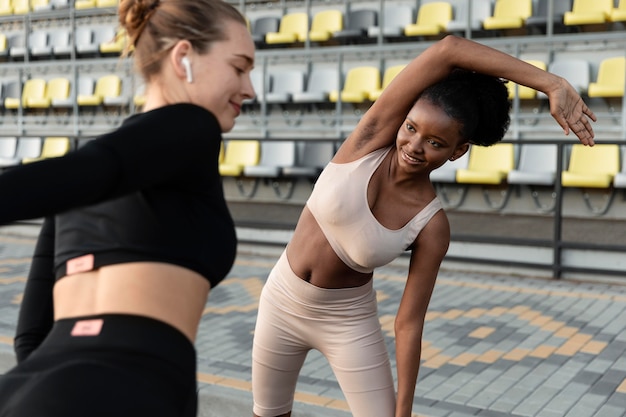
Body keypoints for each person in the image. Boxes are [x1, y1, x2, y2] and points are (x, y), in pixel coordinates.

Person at [251, 35, 596, 417]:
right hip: (280, 300)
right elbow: (448, 50)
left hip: (347, 321)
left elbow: (409, 323)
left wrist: (405, 410)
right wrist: (552, 83)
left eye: (435, 142)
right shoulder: (367, 142)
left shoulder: (431, 225)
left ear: (457, 151)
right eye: (411, 128)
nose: (415, 146)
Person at [0, 0, 255, 415]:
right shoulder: (194, 126)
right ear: (184, 57)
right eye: (239, 67)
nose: (249, 89)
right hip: (124, 383)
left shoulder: (81, 181)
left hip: (31, 385)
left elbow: (31, 334)